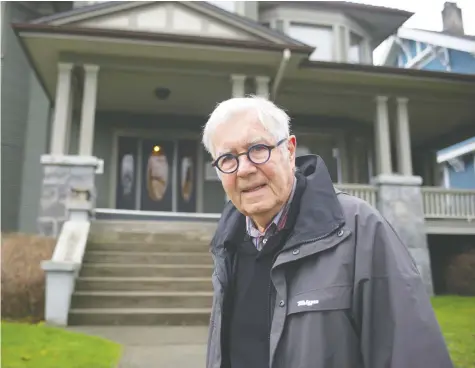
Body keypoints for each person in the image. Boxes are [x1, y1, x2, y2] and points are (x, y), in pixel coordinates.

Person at [202, 96, 453, 368]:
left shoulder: (358, 228)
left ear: (289, 150)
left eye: (258, 149)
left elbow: (411, 354)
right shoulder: (228, 244)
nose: (245, 169)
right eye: (227, 158)